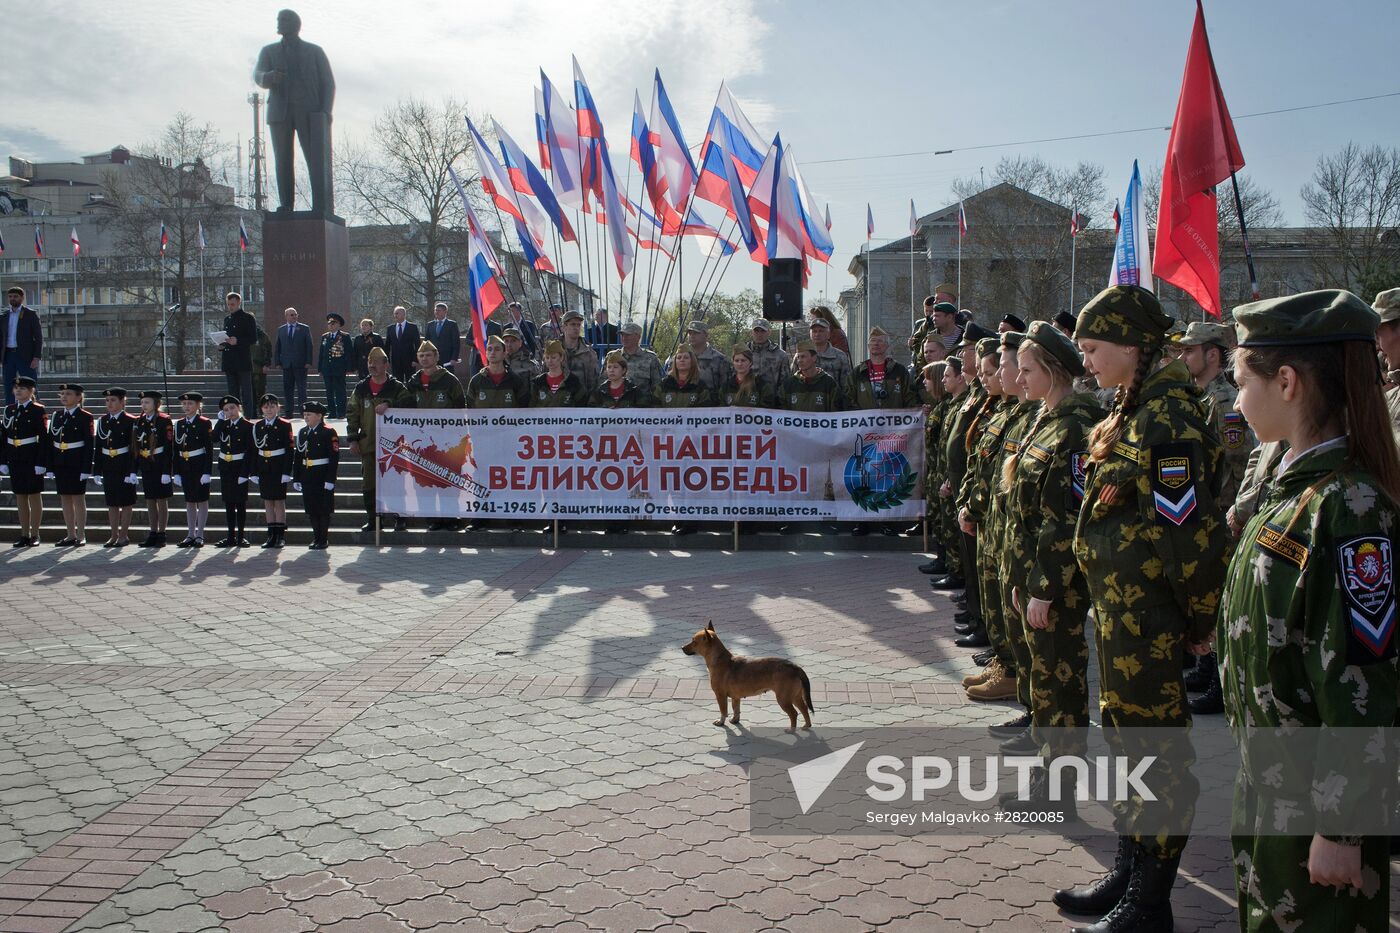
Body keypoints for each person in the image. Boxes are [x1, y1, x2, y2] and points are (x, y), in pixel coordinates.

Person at [1219, 289, 1398, 933]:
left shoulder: (1349, 508)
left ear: (1287, 382)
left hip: (1312, 810)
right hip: (1271, 791)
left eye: (1242, 382)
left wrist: (1342, 827)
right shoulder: (1295, 488)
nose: (1237, 400)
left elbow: (1360, 681)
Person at [1053, 284, 1229, 931]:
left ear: (1133, 345)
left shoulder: (1169, 419)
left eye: (1095, 348)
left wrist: (1199, 622)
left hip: (1152, 619)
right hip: (1122, 617)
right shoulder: (1131, 410)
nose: (1088, 359)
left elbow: (1191, 537)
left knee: (1155, 750)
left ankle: (1150, 900)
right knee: (1128, 740)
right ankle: (1132, 868)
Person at [999, 323, 1104, 815]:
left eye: (1026, 370)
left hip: (1057, 586)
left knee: (1060, 683)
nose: (1018, 380)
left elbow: (1064, 520)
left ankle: (1059, 793)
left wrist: (1043, 587)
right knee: (1045, 682)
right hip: (1036, 580)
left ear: (1052, 371)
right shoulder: (1046, 419)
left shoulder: (1074, 430)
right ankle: (1048, 778)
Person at [1177, 320, 1257, 715]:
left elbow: (1237, 461)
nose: (1183, 356)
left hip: (1220, 512)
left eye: (1190, 350)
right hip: (1205, 512)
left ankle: (1220, 683)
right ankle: (1207, 667)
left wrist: (1230, 512)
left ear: (1213, 354)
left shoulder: (1224, 400)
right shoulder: (1201, 395)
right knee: (1206, 593)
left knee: (1219, 596)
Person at [956, 337, 1018, 695]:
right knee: (993, 598)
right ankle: (1004, 661)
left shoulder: (1024, 417)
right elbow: (981, 465)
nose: (984, 378)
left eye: (993, 371)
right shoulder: (1001, 412)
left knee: (1006, 604)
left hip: (1003, 525)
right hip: (991, 521)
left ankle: (1011, 672)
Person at [253, 8, 336, 215]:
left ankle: (321, 205)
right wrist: (269, 77)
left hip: (310, 112)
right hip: (280, 112)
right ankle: (286, 204)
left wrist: (325, 112)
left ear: (295, 24)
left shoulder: (314, 51)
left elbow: (328, 83)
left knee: (315, 159)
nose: (279, 23)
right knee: (283, 159)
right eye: (278, 19)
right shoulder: (269, 51)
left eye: (283, 20)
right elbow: (258, 74)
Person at [347, 347, 414, 533]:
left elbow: (409, 404)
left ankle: (399, 517)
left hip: (393, 446)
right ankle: (373, 519)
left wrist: (389, 404)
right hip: (368, 445)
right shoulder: (361, 388)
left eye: (376, 362)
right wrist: (352, 439)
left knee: (396, 483)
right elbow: (352, 413)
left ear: (386, 364)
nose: (372, 365)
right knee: (369, 484)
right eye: (369, 362)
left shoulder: (397, 387)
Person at [1, 375, 48, 545]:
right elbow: (3, 436)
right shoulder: (9, 410)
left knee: (34, 495)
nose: (18, 390)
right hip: (14, 456)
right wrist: (2, 460)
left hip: (31, 456)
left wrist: (41, 462)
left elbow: (44, 438)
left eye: (22, 388)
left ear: (31, 391)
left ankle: (35, 534)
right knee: (20, 496)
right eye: (16, 388)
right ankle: (24, 533)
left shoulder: (38, 410)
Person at [92, 387, 139, 548]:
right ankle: (113, 535)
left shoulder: (131, 420)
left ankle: (124, 535)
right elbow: (98, 447)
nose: (109, 403)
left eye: (113, 400)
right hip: (108, 464)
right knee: (111, 502)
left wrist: (131, 471)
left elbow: (133, 448)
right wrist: (97, 470)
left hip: (123, 463)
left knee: (126, 502)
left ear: (122, 402)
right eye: (107, 400)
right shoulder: (103, 420)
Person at [48, 383, 91, 547]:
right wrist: (50, 466)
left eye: (68, 394)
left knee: (78, 499)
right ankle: (70, 534)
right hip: (61, 461)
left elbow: (88, 444)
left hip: (77, 462)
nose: (64, 396)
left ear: (79, 397)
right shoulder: (57, 416)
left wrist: (87, 468)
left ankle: (81, 534)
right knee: (65, 498)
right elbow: (51, 442)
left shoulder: (85, 417)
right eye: (62, 394)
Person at [293, 401, 339, 549]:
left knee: (323, 509)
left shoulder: (328, 432)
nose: (306, 417)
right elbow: (299, 456)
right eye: (304, 415)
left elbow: (334, 457)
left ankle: (323, 538)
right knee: (312, 508)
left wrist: (330, 479)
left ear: (319, 416)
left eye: (309, 415)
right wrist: (297, 477)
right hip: (308, 475)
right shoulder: (303, 432)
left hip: (322, 474)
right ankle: (316, 537)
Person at [172, 392, 215, 548]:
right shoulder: (179, 424)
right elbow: (175, 450)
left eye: (190, 404)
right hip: (185, 465)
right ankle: (190, 534)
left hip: (199, 464)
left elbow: (209, 449)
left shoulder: (204, 423)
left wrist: (207, 472)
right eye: (184, 404)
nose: (186, 407)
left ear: (198, 406)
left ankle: (200, 534)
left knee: (202, 500)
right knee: (189, 500)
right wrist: (175, 472)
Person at [253, 393, 295, 548]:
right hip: (264, 466)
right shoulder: (258, 426)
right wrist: (254, 471)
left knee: (279, 501)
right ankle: (270, 534)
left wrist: (286, 471)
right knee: (268, 501)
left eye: (272, 406)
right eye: (265, 407)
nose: (269, 410)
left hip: (278, 466)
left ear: (278, 407)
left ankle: (280, 535)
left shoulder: (284, 425)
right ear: (261, 409)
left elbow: (289, 450)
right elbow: (254, 450)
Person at [213, 395, 255, 548]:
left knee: (240, 503)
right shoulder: (224, 424)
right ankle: (230, 536)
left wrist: (246, 473)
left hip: (239, 467)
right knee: (228, 502)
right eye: (225, 409)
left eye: (232, 408)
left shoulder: (247, 426)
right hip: (226, 467)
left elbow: (250, 451)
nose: (229, 411)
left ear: (239, 408)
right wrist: (220, 421)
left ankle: (241, 537)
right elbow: (214, 438)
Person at [133, 390, 174, 548]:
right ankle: (152, 532)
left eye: (147, 402)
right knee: (150, 499)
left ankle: (162, 533)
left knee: (161, 499)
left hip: (159, 462)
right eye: (142, 402)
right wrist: (133, 470)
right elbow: (136, 446)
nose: (144, 405)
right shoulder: (139, 421)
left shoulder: (164, 420)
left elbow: (168, 447)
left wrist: (166, 471)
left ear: (156, 404)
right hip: (146, 463)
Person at [2, 287, 43, 407]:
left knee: (30, 384)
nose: (12, 299)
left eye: (15, 296)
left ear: (22, 298)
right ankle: (10, 411)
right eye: (10, 296)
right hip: (8, 355)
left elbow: (38, 338)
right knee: (9, 385)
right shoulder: (4, 315)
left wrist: (36, 357)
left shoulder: (30, 314)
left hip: (25, 356)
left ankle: (36, 410)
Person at [777, 340, 845, 412]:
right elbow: (781, 412)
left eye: (803, 357)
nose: (799, 360)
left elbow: (836, 413)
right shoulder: (789, 385)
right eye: (798, 357)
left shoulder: (828, 384)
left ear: (814, 358)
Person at [218, 292, 257, 409]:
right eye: (229, 304)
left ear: (239, 303)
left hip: (242, 360)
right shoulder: (227, 319)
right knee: (232, 392)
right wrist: (221, 345)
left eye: (233, 304)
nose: (230, 307)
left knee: (246, 391)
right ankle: (233, 415)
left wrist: (238, 340)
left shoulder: (248, 318)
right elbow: (226, 337)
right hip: (229, 360)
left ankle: (248, 416)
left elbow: (253, 338)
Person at [466, 335, 527, 409]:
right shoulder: (476, 381)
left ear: (504, 353)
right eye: (489, 349)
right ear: (486, 353)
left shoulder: (515, 380)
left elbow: (524, 410)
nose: (492, 352)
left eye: (497, 349)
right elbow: (469, 410)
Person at [273, 307, 312, 417]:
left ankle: (303, 412)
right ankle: (288, 413)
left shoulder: (304, 328)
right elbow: (278, 346)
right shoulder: (281, 329)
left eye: (295, 314)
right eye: (291, 315)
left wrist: (308, 361)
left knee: (301, 390)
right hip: (286, 364)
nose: (294, 316)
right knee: (288, 390)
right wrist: (277, 362)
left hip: (300, 364)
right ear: (286, 316)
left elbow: (309, 345)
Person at [409, 341, 466, 409]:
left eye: (428, 355)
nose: (424, 358)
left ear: (437, 357)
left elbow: (461, 406)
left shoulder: (450, 380)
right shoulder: (414, 381)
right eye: (421, 356)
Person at [530, 341, 588, 408]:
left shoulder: (572, 381)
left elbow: (582, 408)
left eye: (553, 357)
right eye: (547, 358)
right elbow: (531, 408)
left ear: (561, 358)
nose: (550, 361)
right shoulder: (538, 382)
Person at [317, 312, 353, 419]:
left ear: (338, 324)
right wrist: (320, 368)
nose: (331, 325)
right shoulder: (325, 337)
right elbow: (321, 354)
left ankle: (341, 412)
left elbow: (349, 353)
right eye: (329, 323)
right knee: (329, 392)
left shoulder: (344, 336)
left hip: (339, 369)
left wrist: (349, 368)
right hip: (327, 369)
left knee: (340, 391)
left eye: (333, 323)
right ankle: (332, 412)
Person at [804, 317, 853, 395]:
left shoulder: (840, 356)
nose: (817, 334)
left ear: (828, 334)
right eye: (814, 331)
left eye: (821, 331)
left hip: (832, 403)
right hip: (808, 402)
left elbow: (847, 385)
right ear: (810, 334)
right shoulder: (802, 356)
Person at [682, 321, 734, 393]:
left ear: (706, 335)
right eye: (690, 333)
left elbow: (725, 390)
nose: (692, 336)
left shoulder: (720, 360)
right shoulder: (679, 358)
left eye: (696, 333)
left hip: (710, 403)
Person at [618, 322, 663, 395]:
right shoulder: (613, 356)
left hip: (641, 404)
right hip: (616, 404)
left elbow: (657, 386)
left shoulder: (650, 358)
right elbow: (603, 383)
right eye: (622, 335)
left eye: (628, 335)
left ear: (638, 337)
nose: (624, 338)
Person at [561, 309, 600, 389]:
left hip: (581, 399)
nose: (576, 328)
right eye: (572, 324)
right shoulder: (554, 350)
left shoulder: (589, 353)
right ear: (564, 327)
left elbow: (594, 383)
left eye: (578, 325)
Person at [747, 319, 790, 388]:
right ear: (751, 332)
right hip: (747, 396)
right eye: (756, 331)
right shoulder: (743, 353)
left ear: (769, 332)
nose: (759, 334)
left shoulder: (780, 355)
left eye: (763, 331)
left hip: (772, 397)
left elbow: (785, 382)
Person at [384, 305, 422, 382]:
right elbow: (387, 346)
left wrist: (416, 359)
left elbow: (418, 344)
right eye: (394, 313)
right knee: (397, 383)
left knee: (411, 382)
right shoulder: (390, 328)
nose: (395, 315)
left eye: (397, 313)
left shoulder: (412, 327)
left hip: (410, 361)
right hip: (396, 361)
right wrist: (387, 360)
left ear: (403, 314)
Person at [424, 302, 462, 373]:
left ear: (445, 311)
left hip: (447, 359)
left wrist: (454, 358)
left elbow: (456, 343)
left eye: (439, 310)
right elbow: (426, 342)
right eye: (435, 310)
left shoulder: (452, 324)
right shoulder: (430, 325)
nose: (436, 312)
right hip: (433, 358)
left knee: (447, 380)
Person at [251, 324, 273, 404]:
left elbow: (268, 351)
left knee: (260, 390)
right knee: (248, 392)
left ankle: (261, 410)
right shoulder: (242, 334)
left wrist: (266, 364)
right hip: (246, 369)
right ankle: (251, 412)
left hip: (259, 368)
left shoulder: (262, 335)